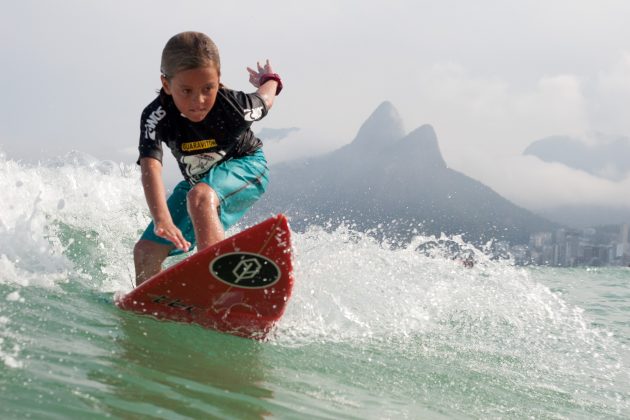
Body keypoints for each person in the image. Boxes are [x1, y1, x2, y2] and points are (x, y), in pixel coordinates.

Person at [133, 31, 282, 286]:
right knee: (145, 251)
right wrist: (162, 220)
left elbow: (266, 99)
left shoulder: (234, 106)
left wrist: (270, 79)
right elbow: (151, 166)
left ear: (219, 79)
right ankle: (156, 308)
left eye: (208, 88)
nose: (199, 100)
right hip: (198, 184)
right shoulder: (156, 116)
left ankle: (220, 284)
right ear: (167, 85)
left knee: (200, 198)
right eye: (186, 90)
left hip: (247, 167)